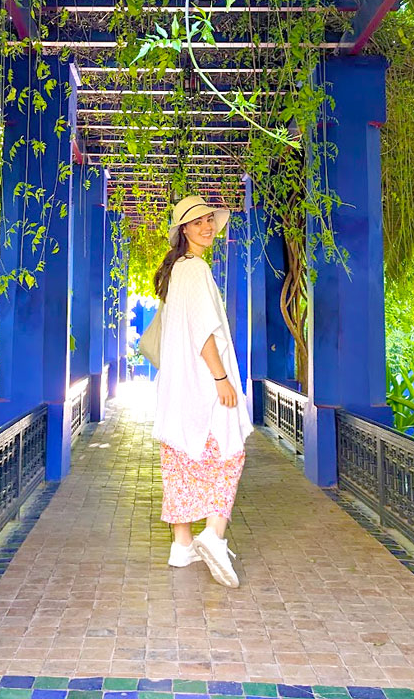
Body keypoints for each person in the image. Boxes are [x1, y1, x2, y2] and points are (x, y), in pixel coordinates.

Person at [152, 194, 253, 588]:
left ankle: (182, 545)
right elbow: (203, 329)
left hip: (179, 388)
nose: (207, 226)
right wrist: (221, 377)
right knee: (230, 452)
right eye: (198, 223)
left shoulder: (179, 269)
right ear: (184, 231)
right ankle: (213, 533)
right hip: (203, 382)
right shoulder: (194, 270)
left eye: (210, 220)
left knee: (180, 459)